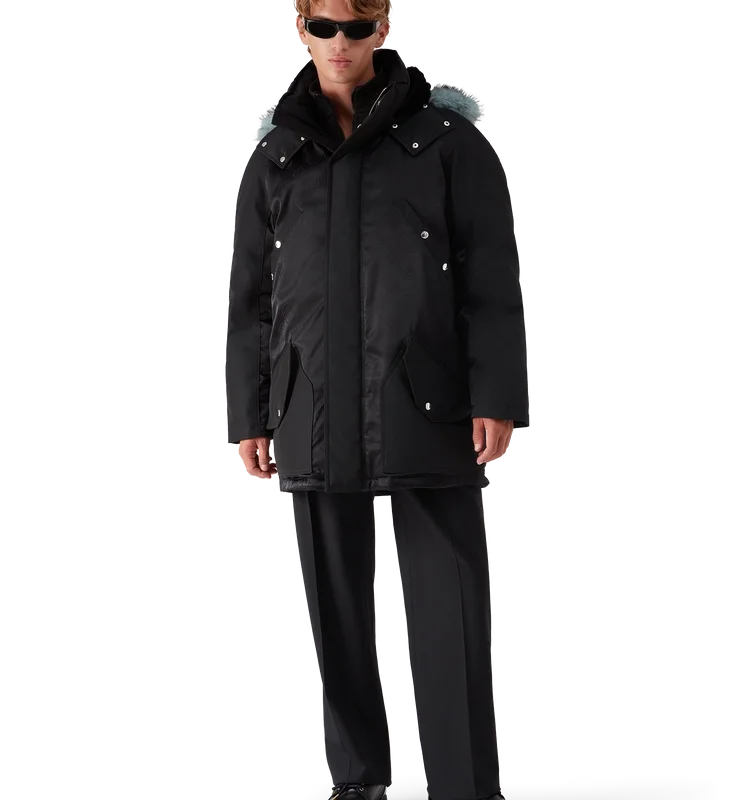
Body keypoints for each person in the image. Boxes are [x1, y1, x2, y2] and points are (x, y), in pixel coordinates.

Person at [225, 1, 529, 798]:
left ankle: (465, 785)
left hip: (429, 399)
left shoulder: (449, 145)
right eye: (323, 27)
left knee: (450, 602)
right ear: (299, 29)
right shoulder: (276, 158)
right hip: (311, 402)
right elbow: (251, 302)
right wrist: (249, 413)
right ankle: (357, 779)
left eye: (356, 28)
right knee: (334, 603)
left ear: (382, 31)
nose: (340, 44)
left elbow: (493, 283)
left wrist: (497, 394)